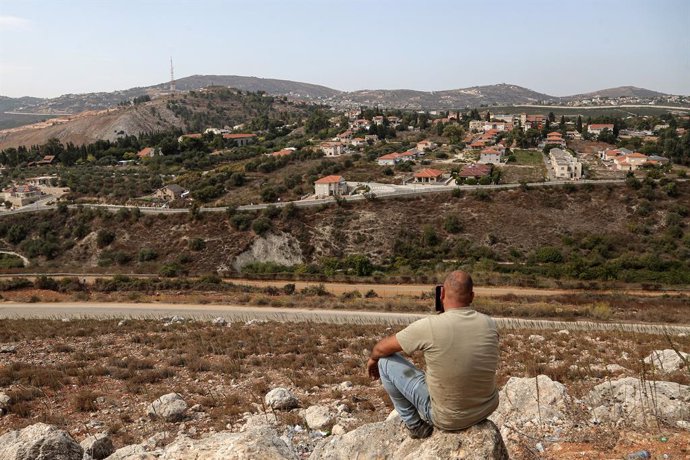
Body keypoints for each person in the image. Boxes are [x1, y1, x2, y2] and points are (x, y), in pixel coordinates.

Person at [366, 270, 499, 439]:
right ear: (472, 296)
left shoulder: (429, 326)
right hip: (486, 408)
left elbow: (380, 349)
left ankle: (415, 425)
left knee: (384, 362)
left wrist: (372, 360)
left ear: (441, 293)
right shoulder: (489, 323)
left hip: (448, 419)